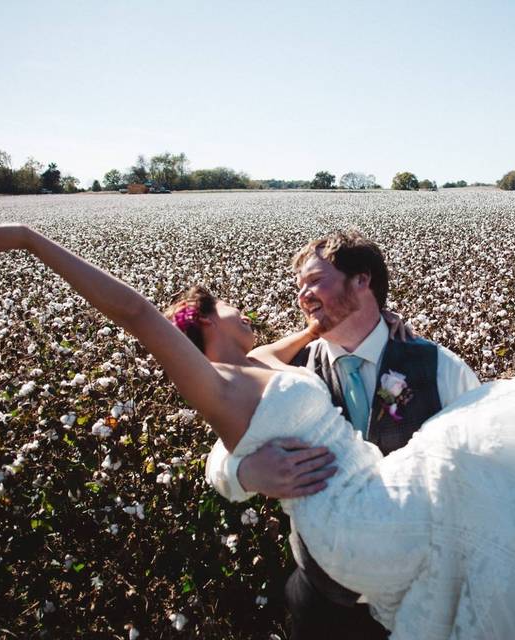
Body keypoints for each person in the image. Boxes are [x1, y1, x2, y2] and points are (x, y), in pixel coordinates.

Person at [0, 215, 515, 640]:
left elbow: (314, 332)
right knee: (484, 450)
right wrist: (31, 240)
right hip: (341, 565)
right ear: (204, 329)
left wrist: (348, 318)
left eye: (313, 285)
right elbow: (142, 317)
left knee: (492, 444)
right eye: (291, 290)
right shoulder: (232, 380)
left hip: (404, 553)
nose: (295, 298)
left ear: (360, 285)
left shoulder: (360, 361)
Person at [204, 231, 480, 639]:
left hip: (424, 601)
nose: (303, 295)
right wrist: (246, 472)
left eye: (315, 280)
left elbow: (483, 469)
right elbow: (218, 460)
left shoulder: (439, 367)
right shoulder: (286, 374)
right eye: (299, 287)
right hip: (322, 603)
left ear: (362, 281)